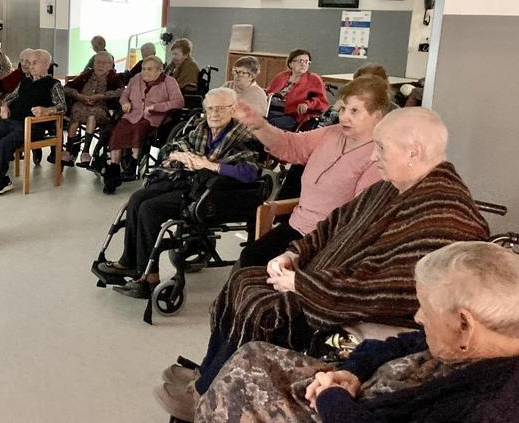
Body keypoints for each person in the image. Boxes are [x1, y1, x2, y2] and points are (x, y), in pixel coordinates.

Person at [154, 108, 489, 421]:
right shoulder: (390, 188)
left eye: (381, 149)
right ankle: (208, 375)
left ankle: (205, 393)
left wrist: (303, 285)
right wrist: (295, 254)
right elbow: (333, 223)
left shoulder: (447, 215)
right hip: (322, 281)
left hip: (345, 303)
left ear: (413, 152)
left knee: (262, 304)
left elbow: (393, 291)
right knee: (245, 280)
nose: (374, 157)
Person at [197, 241, 519, 422]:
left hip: (350, 412)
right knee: (253, 355)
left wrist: (330, 396)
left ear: (465, 325)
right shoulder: (476, 340)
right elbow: (399, 342)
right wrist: (350, 372)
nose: (418, 317)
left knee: (235, 393)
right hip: (362, 389)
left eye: (425, 309)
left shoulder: (490, 407)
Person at [97, 88, 259, 299]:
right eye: (210, 108)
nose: (214, 113)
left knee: (150, 209)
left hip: (212, 192)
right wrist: (180, 156)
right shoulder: (200, 129)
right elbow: (170, 147)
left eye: (220, 108)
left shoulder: (244, 136)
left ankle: (150, 276)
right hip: (185, 180)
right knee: (137, 198)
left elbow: (250, 172)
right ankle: (129, 261)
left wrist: (209, 165)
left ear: (234, 109)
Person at [230, 76, 389, 270]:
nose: (344, 117)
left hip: (330, 240)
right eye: (343, 108)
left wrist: (301, 250)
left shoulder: (378, 157)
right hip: (296, 226)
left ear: (378, 115)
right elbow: (290, 145)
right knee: (248, 260)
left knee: (262, 270)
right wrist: (258, 125)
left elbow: (358, 218)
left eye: (354, 111)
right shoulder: (331, 133)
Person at [0, 49, 65, 195]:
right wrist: (4, 106)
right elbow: (9, 98)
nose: (31, 66)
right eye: (29, 62)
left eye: (35, 63)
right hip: (11, 123)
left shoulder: (54, 84)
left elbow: (62, 107)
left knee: (3, 144)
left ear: (46, 65)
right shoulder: (24, 81)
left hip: (32, 127)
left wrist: (47, 110)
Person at [102, 55, 184, 194]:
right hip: (132, 115)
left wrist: (156, 107)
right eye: (144, 68)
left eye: (150, 69)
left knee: (140, 128)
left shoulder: (169, 82)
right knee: (118, 131)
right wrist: (125, 103)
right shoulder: (136, 79)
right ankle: (114, 168)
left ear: (160, 70)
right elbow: (124, 95)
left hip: (153, 119)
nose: (145, 72)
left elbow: (179, 102)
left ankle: (133, 164)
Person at [62, 51, 125, 166]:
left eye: (105, 63)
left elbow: (122, 91)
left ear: (111, 65)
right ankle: (68, 150)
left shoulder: (113, 77)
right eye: (98, 62)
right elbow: (66, 88)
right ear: (94, 63)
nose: (100, 65)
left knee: (92, 115)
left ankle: (85, 152)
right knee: (75, 113)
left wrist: (102, 96)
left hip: (100, 107)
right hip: (81, 105)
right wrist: (79, 96)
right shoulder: (87, 75)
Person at [265, 48, 328, 130]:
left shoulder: (313, 79)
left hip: (294, 115)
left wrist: (307, 104)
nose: (303, 64)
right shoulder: (282, 76)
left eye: (306, 61)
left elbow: (322, 101)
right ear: (290, 63)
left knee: (268, 123)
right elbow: (269, 92)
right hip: (271, 110)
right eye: (300, 61)